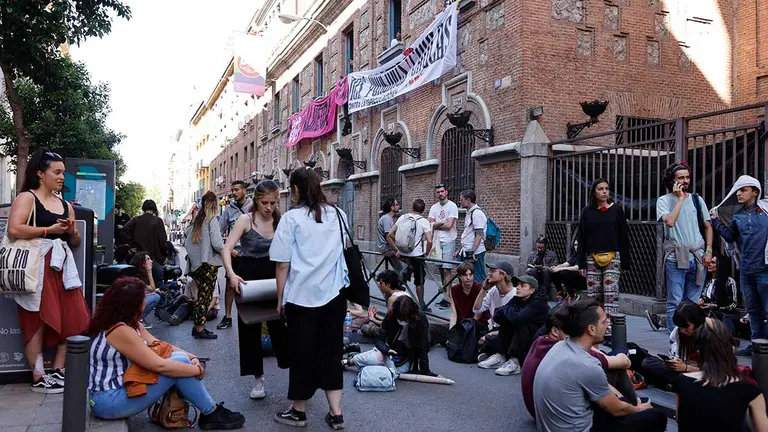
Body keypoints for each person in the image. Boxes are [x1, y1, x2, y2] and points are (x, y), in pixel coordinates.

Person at [86, 277, 245, 429]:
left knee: (180, 358)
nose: (146, 301)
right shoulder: (120, 331)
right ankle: (211, 412)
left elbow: (159, 345)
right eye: (143, 298)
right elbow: (159, 365)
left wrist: (192, 357)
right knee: (178, 364)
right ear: (132, 304)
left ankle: (211, 411)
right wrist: (197, 370)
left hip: (119, 389)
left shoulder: (125, 323)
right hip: (108, 401)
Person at [269, 167, 349, 429]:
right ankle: (336, 413)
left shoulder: (291, 219)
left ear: (295, 189)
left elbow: (282, 264)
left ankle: (298, 411)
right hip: (334, 295)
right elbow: (345, 250)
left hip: (301, 297)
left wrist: (280, 299)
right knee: (332, 352)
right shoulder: (338, 214)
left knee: (302, 353)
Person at [6, 149, 89, 393]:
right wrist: (48, 230)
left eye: (63, 172)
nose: (62, 177)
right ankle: (38, 375)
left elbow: (75, 240)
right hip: (36, 264)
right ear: (41, 174)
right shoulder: (27, 198)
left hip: (61, 265)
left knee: (72, 316)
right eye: (57, 172)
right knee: (37, 319)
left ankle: (58, 369)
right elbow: (14, 229)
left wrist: (71, 230)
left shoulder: (65, 204)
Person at [533, 299, 667, 432]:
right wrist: (639, 409)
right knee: (656, 416)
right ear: (591, 329)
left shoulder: (560, 346)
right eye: (604, 322)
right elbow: (616, 410)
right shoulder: (586, 365)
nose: (607, 325)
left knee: (636, 402)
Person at [221, 179, 287, 400]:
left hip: (275, 275)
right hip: (249, 276)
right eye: (264, 203)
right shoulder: (245, 219)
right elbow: (227, 248)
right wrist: (231, 274)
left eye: (272, 203)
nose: (268, 207)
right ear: (256, 201)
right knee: (250, 330)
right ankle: (258, 379)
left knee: (282, 327)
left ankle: (293, 372)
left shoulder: (281, 221)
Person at [522, 307, 638, 420]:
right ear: (555, 331)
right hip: (559, 416)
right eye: (570, 331)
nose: (575, 334)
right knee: (612, 370)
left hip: (542, 412)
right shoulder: (570, 351)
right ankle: (634, 407)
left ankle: (631, 405)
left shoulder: (541, 341)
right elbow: (623, 362)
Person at [673, 317, 768, 432]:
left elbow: (680, 418)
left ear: (698, 352)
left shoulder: (682, 381)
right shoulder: (750, 390)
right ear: (731, 350)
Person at [710, 174, 768, 356]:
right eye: (737, 191)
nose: (739, 194)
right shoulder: (738, 216)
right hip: (746, 271)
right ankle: (756, 347)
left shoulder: (766, 211)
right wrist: (715, 220)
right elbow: (729, 237)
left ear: (755, 192)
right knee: (753, 311)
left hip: (765, 270)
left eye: (743, 190)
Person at [657, 162, 713, 334]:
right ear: (671, 181)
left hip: (697, 256)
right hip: (676, 257)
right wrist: (680, 198)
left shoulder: (697, 199)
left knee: (693, 302)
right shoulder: (664, 200)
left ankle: (693, 338)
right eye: (681, 177)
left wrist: (709, 250)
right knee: (675, 301)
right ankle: (675, 339)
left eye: (687, 177)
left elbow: (708, 226)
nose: (685, 180)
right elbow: (670, 221)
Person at [577, 178, 630, 340]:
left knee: (611, 293)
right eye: (600, 189)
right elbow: (581, 237)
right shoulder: (587, 212)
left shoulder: (617, 210)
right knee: (594, 295)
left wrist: (625, 262)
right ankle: (596, 328)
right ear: (594, 192)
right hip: (592, 257)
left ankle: (610, 331)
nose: (604, 191)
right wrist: (581, 263)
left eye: (606, 188)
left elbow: (623, 236)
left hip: (613, 257)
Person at [347, 296, 439, 379]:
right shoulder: (391, 315)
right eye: (400, 318)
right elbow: (380, 338)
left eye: (405, 319)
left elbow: (423, 345)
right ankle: (350, 361)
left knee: (394, 372)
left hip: (406, 356)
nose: (402, 321)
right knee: (374, 358)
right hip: (389, 350)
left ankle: (361, 363)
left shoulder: (420, 318)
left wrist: (425, 371)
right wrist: (386, 350)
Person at [476, 275, 549, 376]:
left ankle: (516, 362)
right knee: (507, 321)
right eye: (518, 285)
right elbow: (497, 315)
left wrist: (509, 311)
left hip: (536, 339)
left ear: (532, 290)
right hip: (517, 338)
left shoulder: (539, 303)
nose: (518, 287)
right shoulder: (516, 299)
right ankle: (500, 356)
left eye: (523, 285)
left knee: (522, 324)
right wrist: (511, 312)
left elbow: (518, 318)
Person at [183, 191, 224, 340]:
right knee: (205, 298)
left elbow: (186, 236)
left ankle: (197, 327)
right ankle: (199, 329)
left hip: (197, 265)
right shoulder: (212, 220)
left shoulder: (197, 220)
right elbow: (217, 243)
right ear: (215, 204)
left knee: (201, 296)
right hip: (208, 264)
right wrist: (228, 251)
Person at [640, 301, 704, 391]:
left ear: (696, 322)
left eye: (686, 327)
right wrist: (673, 364)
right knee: (648, 362)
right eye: (680, 327)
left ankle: (672, 384)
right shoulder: (677, 333)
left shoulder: (709, 335)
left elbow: (716, 371)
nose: (683, 330)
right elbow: (675, 356)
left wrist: (686, 368)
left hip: (703, 374)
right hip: (683, 371)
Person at [217, 180, 254, 330]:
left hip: (250, 254)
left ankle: (251, 316)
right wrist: (229, 249)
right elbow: (218, 232)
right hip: (235, 253)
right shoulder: (229, 210)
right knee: (230, 286)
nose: (233, 193)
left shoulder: (253, 206)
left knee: (250, 285)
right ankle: (227, 317)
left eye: (236, 190)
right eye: (232, 190)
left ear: (244, 191)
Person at [427, 262, 490, 346]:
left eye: (470, 275)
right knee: (431, 328)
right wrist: (451, 333)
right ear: (460, 276)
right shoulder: (454, 289)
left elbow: (476, 318)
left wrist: (460, 335)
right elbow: (454, 314)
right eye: (465, 275)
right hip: (460, 325)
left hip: (476, 328)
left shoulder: (479, 289)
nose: (468, 278)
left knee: (471, 341)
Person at [388, 198, 432, 311]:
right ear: (423, 210)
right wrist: (426, 253)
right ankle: (421, 305)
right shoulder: (424, 221)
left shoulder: (403, 217)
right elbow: (429, 241)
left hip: (402, 255)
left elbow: (390, 234)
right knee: (419, 281)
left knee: (402, 277)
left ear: (412, 208)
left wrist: (397, 247)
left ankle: (396, 299)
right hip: (416, 255)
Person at [122, 199, 168, 284]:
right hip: (155, 259)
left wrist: (132, 245)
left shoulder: (136, 220)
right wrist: (165, 254)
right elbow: (162, 241)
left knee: (139, 285)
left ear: (143, 209)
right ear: (154, 209)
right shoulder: (158, 221)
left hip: (139, 258)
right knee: (157, 285)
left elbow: (124, 230)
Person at [428, 184, 459, 306]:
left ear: (446, 192)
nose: (440, 194)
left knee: (447, 269)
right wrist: (441, 223)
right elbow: (430, 224)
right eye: (438, 192)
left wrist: (436, 224)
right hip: (436, 241)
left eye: (442, 191)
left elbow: (449, 226)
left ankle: (448, 298)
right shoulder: (434, 207)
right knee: (441, 269)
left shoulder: (452, 206)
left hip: (448, 240)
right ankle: (445, 294)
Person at [698, 255, 740, 336]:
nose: (709, 264)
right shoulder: (707, 282)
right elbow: (704, 297)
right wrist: (701, 301)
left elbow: (733, 304)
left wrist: (716, 306)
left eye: (713, 262)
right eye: (709, 262)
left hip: (724, 315)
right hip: (708, 314)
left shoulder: (729, 281)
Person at [360, 270, 408, 337]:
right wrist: (377, 317)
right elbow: (392, 320)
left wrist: (372, 319)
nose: (379, 285)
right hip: (405, 330)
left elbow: (388, 325)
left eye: (381, 283)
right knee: (372, 324)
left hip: (397, 334)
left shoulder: (392, 299)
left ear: (388, 285)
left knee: (364, 327)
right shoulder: (405, 294)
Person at [473, 261, 515, 334]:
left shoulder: (515, 294)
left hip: (508, 333)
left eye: (493, 271)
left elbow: (514, 326)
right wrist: (483, 289)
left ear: (503, 275)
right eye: (489, 271)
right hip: (495, 330)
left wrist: (492, 334)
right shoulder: (493, 290)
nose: (489, 273)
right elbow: (477, 310)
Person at [457, 189, 487, 284]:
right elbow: (468, 233)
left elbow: (479, 234)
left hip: (474, 253)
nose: (460, 202)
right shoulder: (470, 212)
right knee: (463, 276)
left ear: (468, 200)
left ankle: (482, 293)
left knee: (477, 278)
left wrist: (472, 252)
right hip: (466, 251)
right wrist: (460, 249)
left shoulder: (477, 213)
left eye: (461, 199)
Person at [129, 252, 161, 329]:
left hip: (132, 302)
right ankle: (137, 320)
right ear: (143, 263)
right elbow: (152, 288)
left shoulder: (138, 272)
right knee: (156, 297)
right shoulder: (138, 276)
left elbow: (146, 289)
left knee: (154, 294)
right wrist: (149, 272)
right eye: (148, 259)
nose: (151, 261)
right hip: (132, 304)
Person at [525, 236, 559, 300]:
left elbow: (555, 266)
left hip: (546, 273)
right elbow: (528, 266)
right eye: (538, 247)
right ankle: (535, 291)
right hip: (535, 272)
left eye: (541, 248)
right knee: (533, 270)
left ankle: (544, 292)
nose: (539, 249)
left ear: (546, 246)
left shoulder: (552, 255)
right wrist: (532, 267)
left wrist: (546, 267)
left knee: (545, 271)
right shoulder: (532, 254)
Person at [377, 198, 404, 274]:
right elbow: (388, 237)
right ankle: (400, 279)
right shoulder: (387, 219)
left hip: (387, 248)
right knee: (404, 268)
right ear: (392, 207)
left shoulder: (387, 218)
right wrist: (396, 250)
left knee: (401, 268)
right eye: (397, 204)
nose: (399, 206)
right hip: (387, 249)